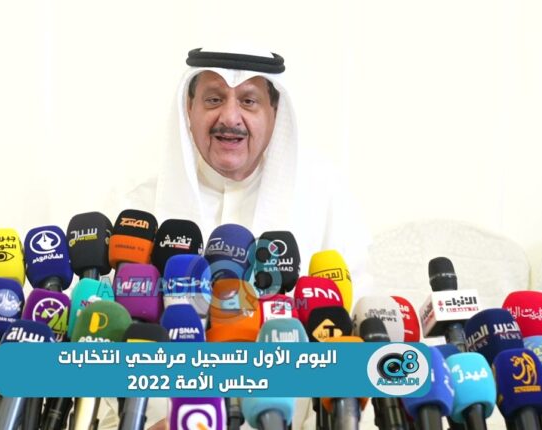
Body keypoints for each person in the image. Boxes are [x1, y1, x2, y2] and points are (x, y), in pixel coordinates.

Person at [100, 47, 373, 429]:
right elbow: (97, 340)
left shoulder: (325, 205)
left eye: (249, 101)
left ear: (274, 113)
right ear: (189, 109)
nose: (230, 117)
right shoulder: (135, 208)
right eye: (214, 99)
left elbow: (358, 346)